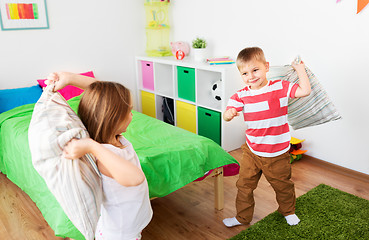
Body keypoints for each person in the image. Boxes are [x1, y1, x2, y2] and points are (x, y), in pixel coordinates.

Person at [46, 72, 153, 240]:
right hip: (120, 233)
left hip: (129, 222)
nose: (132, 114)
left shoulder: (114, 139)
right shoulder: (104, 154)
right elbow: (135, 177)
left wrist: (70, 79)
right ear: (113, 116)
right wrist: (91, 146)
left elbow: (106, 93)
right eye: (129, 110)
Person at [222, 47, 311, 227]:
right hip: (252, 152)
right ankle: (242, 217)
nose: (251, 76)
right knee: (244, 186)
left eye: (255, 70)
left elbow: (304, 91)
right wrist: (229, 113)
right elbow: (226, 114)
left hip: (277, 152)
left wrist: (300, 69)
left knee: (282, 186)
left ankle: (288, 211)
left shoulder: (280, 87)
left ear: (266, 67)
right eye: (245, 73)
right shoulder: (241, 96)